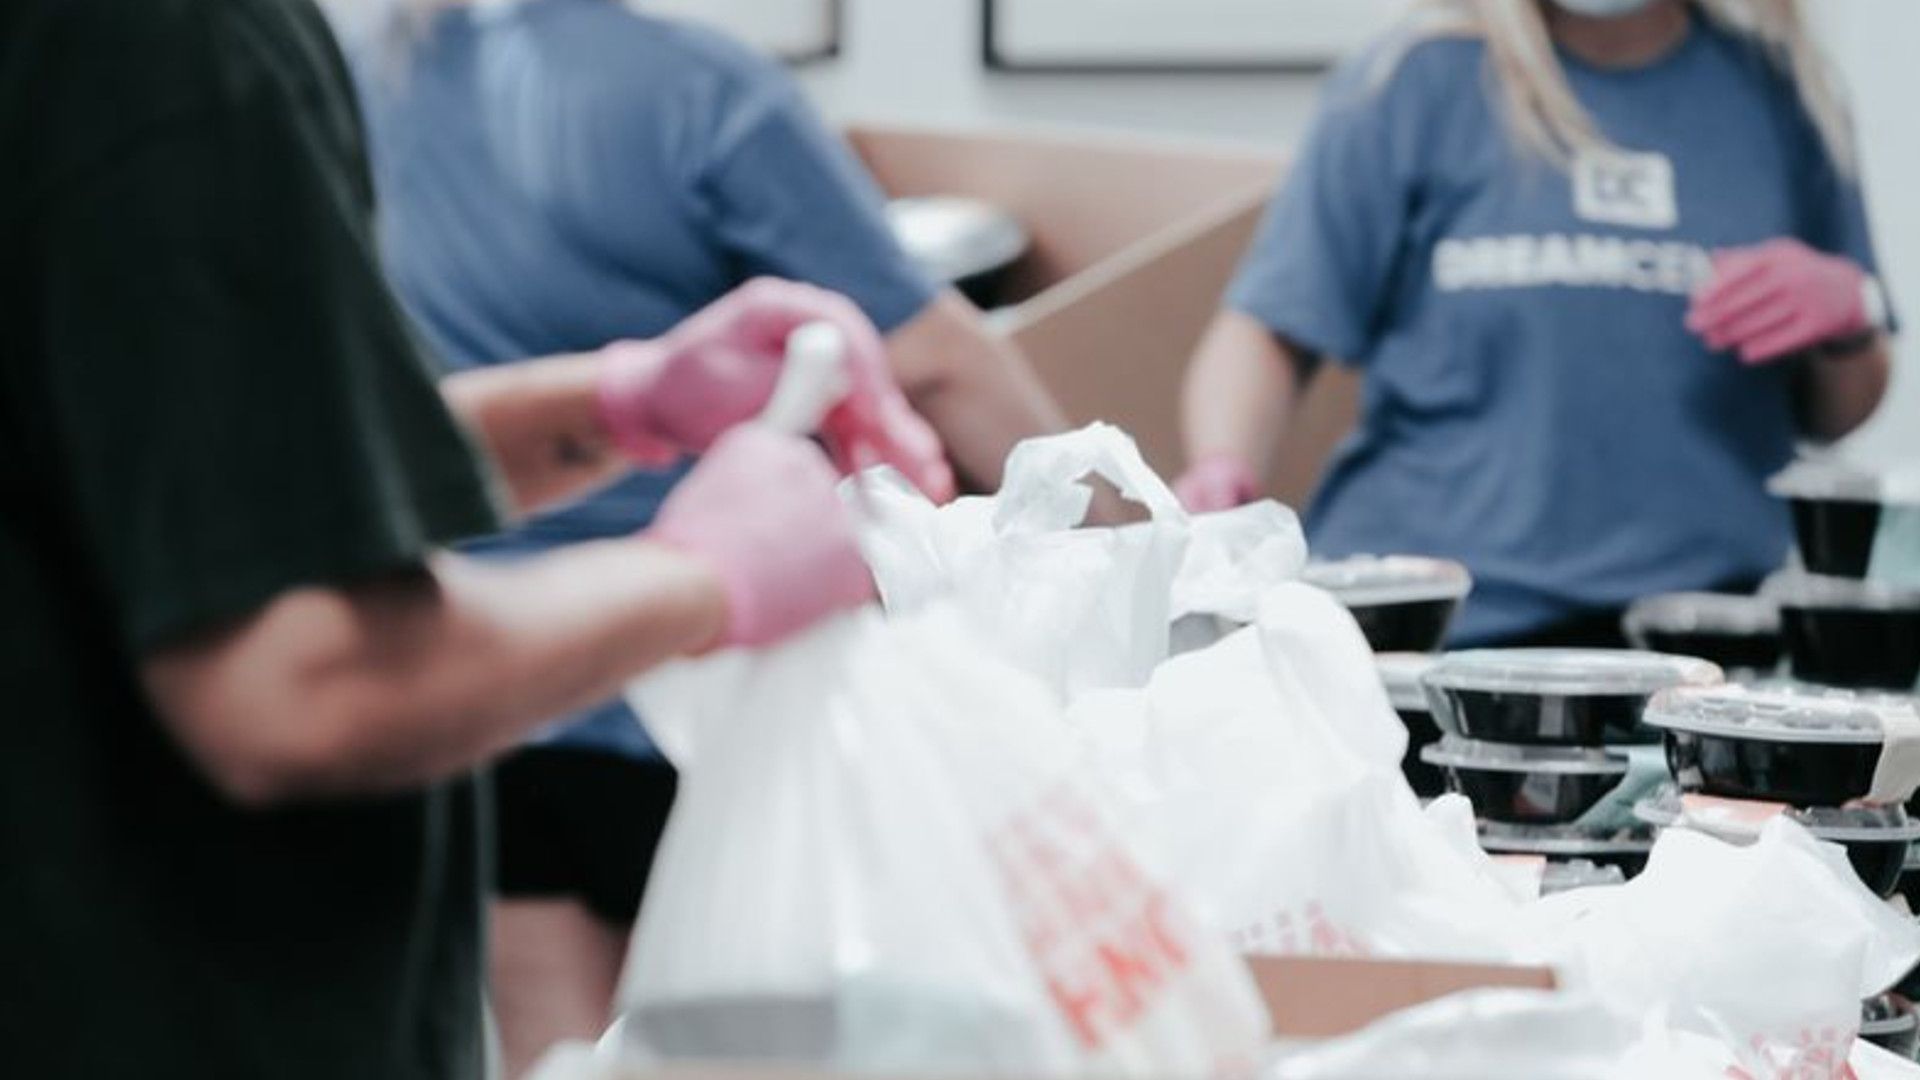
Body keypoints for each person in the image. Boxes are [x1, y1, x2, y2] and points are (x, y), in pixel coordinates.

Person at [2, 0, 940, 1074]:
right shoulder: (170, 41)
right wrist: (705, 574)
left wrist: (618, 405)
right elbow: (303, 681)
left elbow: (220, 470)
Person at [329, 1, 1075, 1067]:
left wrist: (629, 397)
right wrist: (1126, 535)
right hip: (687, 691)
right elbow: (934, 356)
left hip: (485, 680)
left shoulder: (360, 85)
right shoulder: (699, 90)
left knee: (558, 1053)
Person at [1177, 0, 1894, 648]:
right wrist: (1223, 463)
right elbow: (1265, 332)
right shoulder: (1413, 83)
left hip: (1703, 645)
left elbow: (1836, 414)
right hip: (1439, 636)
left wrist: (1850, 320)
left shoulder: (1780, 96)